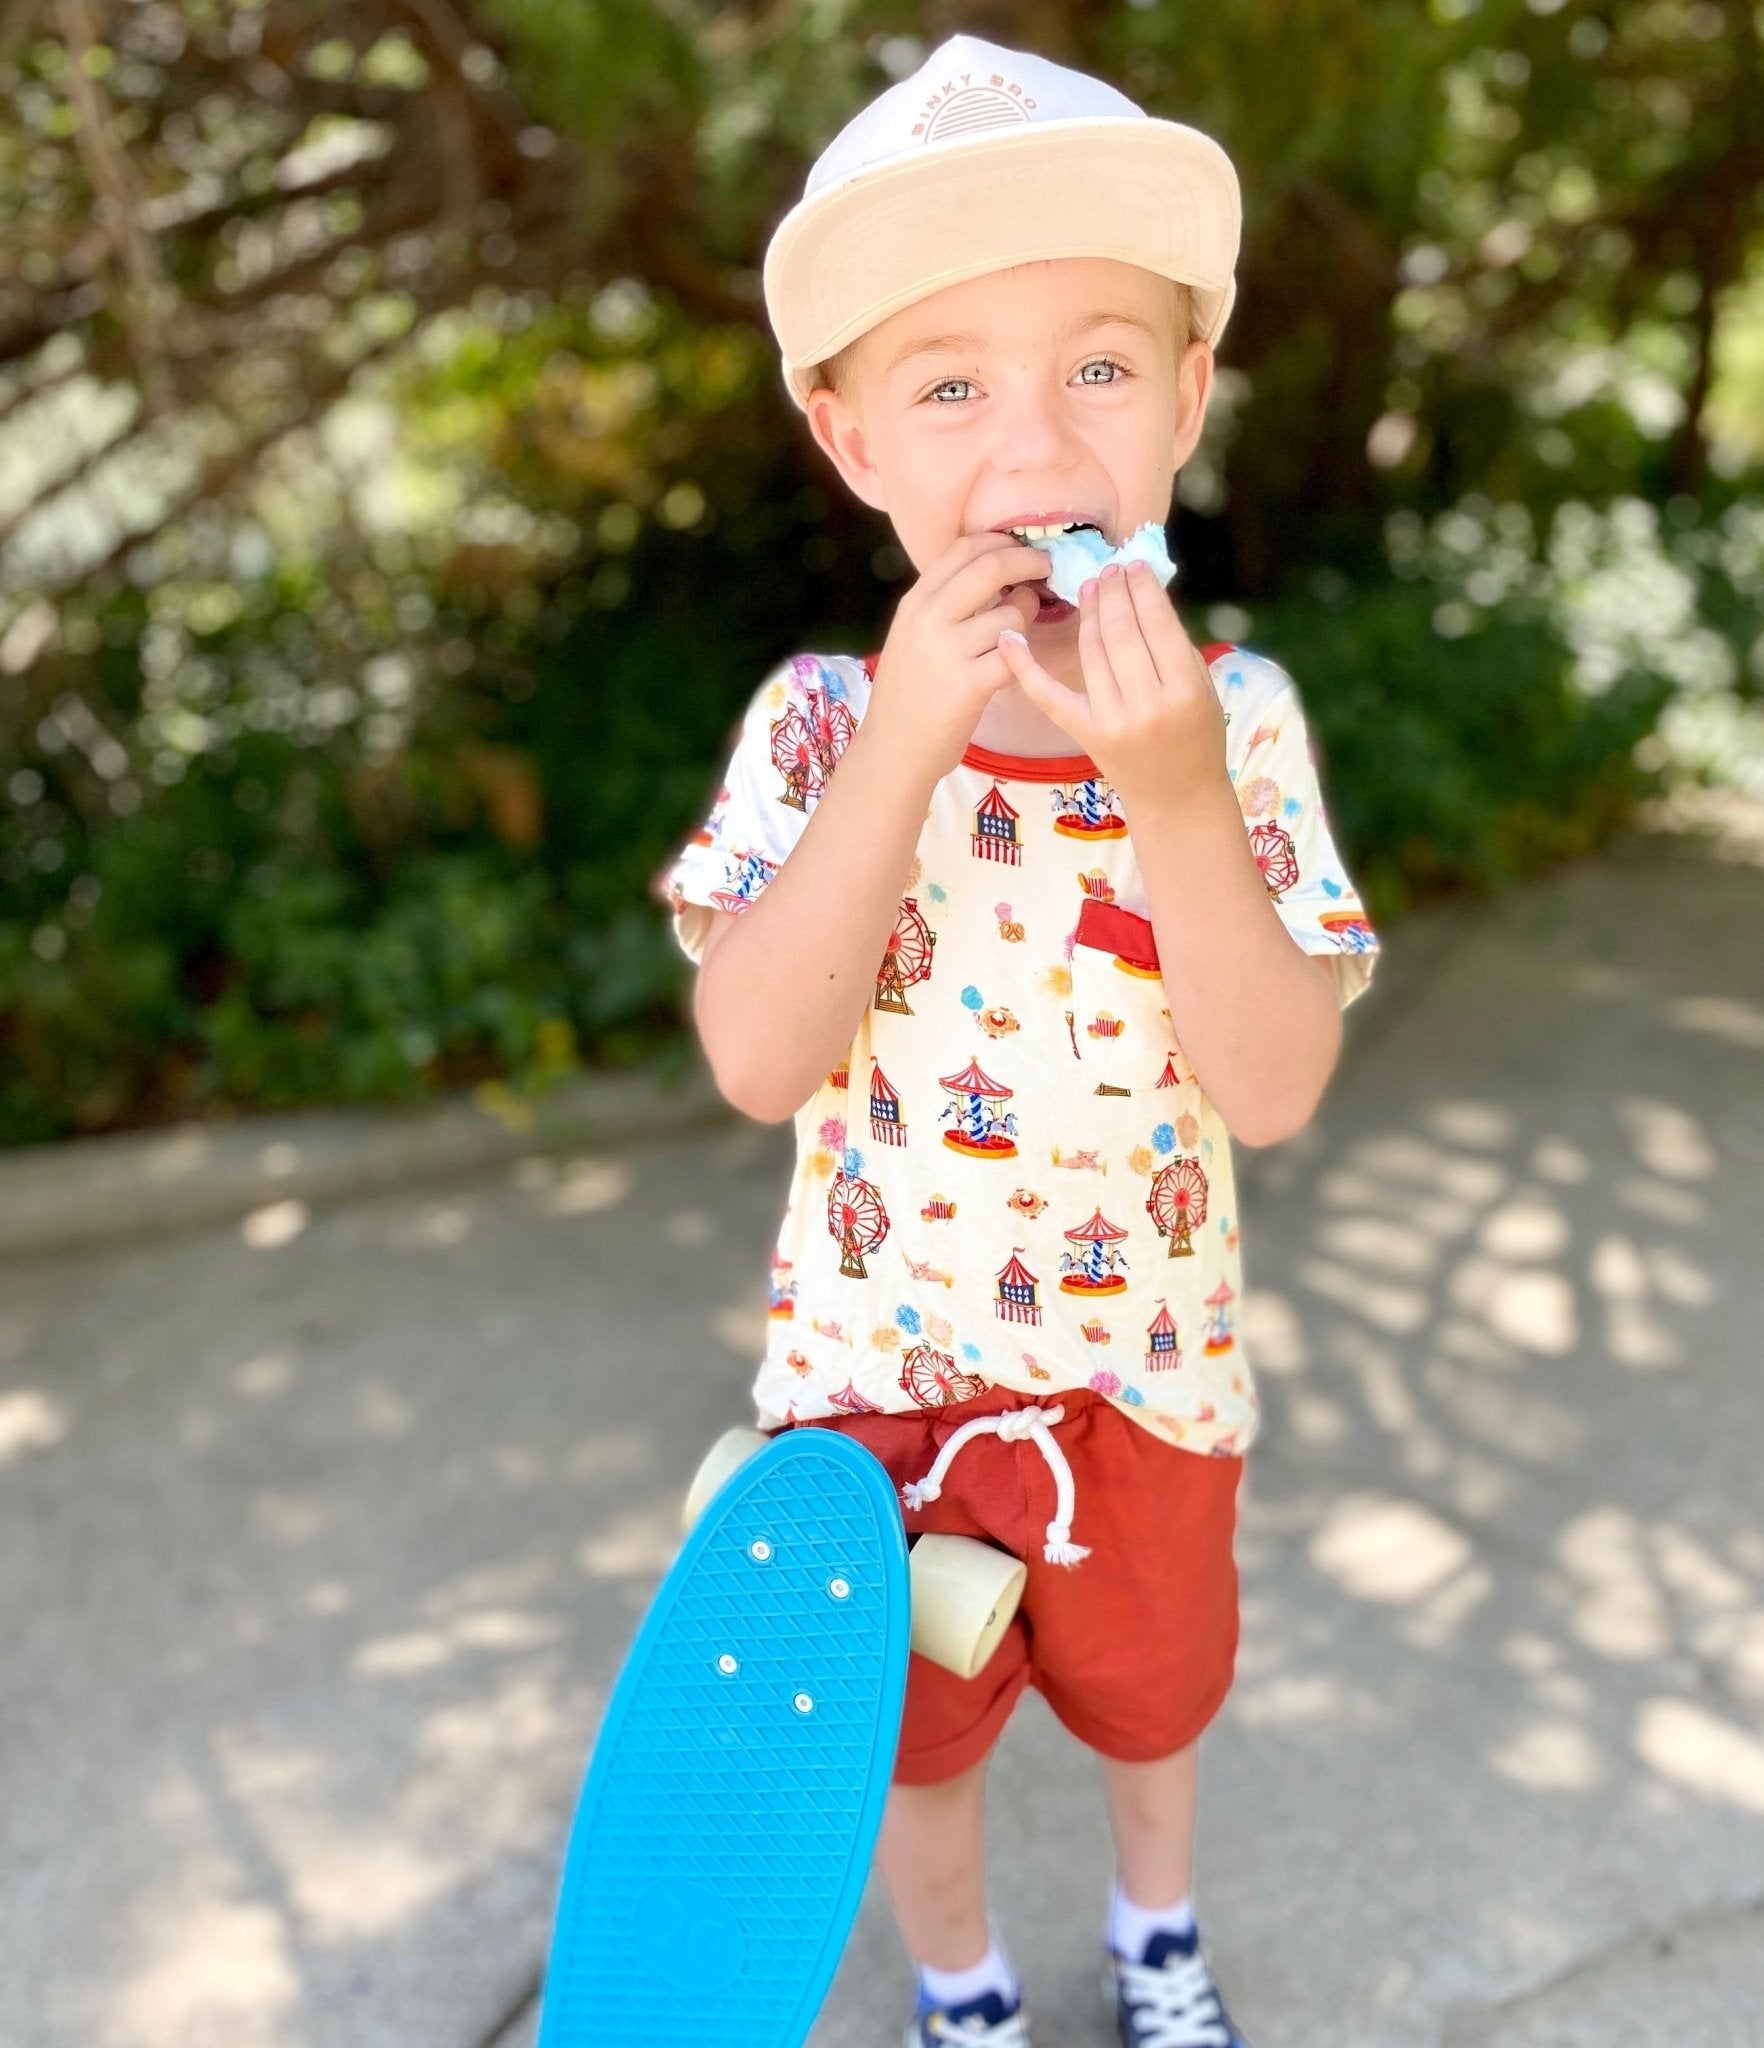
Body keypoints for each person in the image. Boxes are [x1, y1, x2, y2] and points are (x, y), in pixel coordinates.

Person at [662, 33, 1380, 2048]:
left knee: (1155, 1702)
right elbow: (750, 1055)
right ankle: (961, 1989)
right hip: (872, 1380)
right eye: (950, 383)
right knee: (911, 1743)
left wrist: (1161, 791)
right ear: (849, 439)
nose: (1031, 440)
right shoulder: (817, 721)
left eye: (1095, 366)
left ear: (1182, 403)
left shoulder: (1231, 723)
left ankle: (1159, 1936)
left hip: (1143, 1362)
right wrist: (900, 737)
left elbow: (1274, 1084)